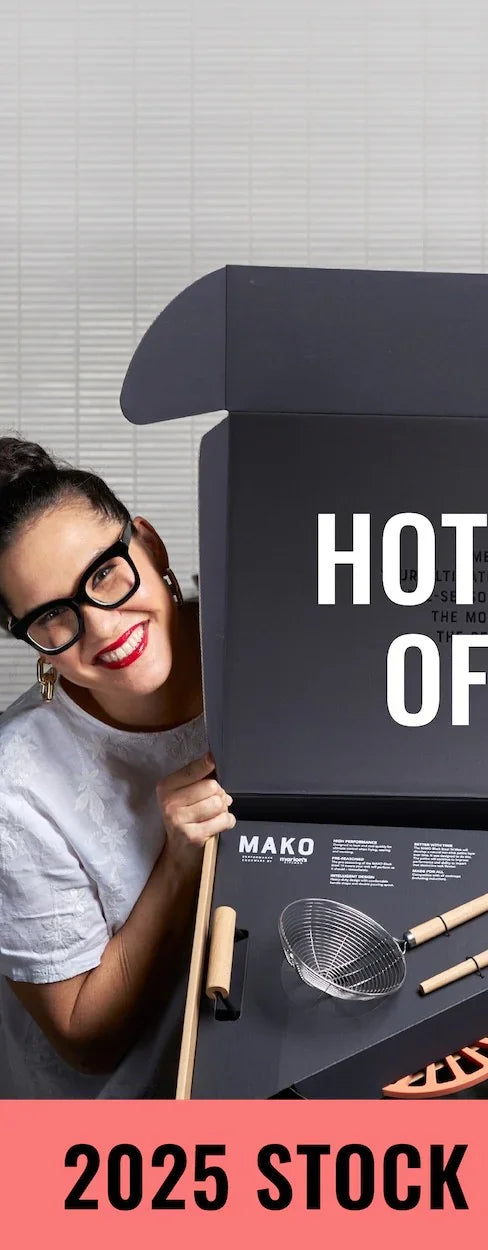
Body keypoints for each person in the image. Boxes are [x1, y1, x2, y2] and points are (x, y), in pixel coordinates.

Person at [0, 436, 235, 1097]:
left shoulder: (266, 640)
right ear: (34, 643)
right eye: (53, 617)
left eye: (104, 573)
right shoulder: (15, 788)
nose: (103, 628)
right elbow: (86, 1041)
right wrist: (180, 861)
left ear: (150, 545)